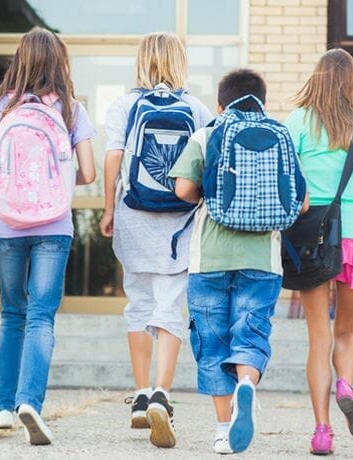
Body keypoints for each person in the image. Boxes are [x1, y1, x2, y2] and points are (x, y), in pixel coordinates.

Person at [0, 28, 96, 445]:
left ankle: (3, 407)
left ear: (19, 59)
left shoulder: (1, 102)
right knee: (41, 315)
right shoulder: (71, 109)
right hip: (54, 227)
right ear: (60, 61)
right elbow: (89, 173)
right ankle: (29, 403)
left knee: (11, 313)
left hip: (7, 226)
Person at [169, 68, 296, 455]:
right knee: (250, 333)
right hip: (263, 259)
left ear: (220, 104)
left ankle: (223, 430)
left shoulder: (206, 135)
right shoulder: (281, 134)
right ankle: (247, 384)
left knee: (213, 343)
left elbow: (183, 188)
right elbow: (300, 201)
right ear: (262, 101)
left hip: (209, 259)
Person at [99, 32, 212, 449]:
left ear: (142, 61)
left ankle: (142, 392)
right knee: (170, 304)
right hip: (180, 223)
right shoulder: (197, 108)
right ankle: (163, 393)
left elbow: (113, 157)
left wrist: (108, 208)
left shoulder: (125, 106)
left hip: (133, 215)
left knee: (138, 303)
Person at [283, 48, 353, 455]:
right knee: (347, 332)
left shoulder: (297, 121)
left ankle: (322, 431)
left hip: (310, 238)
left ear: (318, 78)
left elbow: (289, 178)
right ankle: (346, 385)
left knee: (318, 337)